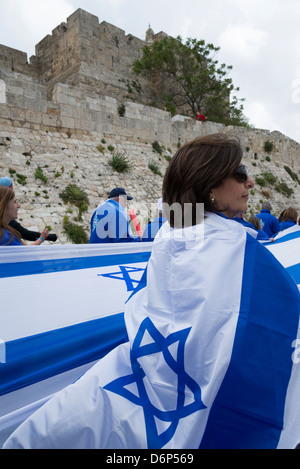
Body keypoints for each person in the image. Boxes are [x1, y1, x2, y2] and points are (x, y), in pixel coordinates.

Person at [4, 134, 300, 449]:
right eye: (240, 173)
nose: (250, 182)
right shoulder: (238, 248)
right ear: (210, 186)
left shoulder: (169, 237)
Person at [0, 177, 57, 242]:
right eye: (14, 202)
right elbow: (26, 234)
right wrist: (49, 237)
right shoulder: (7, 233)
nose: (18, 206)